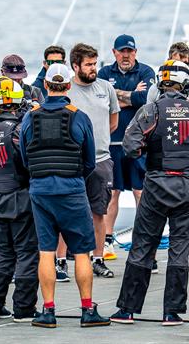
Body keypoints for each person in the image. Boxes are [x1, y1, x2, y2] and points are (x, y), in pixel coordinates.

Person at [110, 60, 189, 326]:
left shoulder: (151, 111)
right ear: (186, 84)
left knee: (142, 248)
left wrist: (150, 153)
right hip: (186, 188)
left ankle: (127, 310)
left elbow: (130, 146)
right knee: (180, 250)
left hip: (156, 187)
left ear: (162, 83)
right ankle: (171, 312)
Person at [20, 63, 110, 328]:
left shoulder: (30, 116)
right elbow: (90, 160)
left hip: (40, 189)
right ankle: (86, 310)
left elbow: (25, 157)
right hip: (71, 188)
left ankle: (48, 311)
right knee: (83, 251)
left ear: (46, 86)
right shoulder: (78, 116)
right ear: (69, 86)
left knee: (46, 251)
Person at [147, 41, 189, 276]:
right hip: (161, 155)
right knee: (155, 208)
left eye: (184, 63)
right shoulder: (155, 90)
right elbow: (147, 122)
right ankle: (152, 257)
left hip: (188, 155)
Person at [0, 77, 39, 323]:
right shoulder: (21, 130)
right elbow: (30, 164)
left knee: (4, 254)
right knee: (26, 253)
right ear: (17, 102)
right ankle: (24, 308)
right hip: (22, 196)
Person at [99, 35, 155, 260]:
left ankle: (143, 240)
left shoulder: (146, 72)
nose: (125, 55)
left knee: (140, 193)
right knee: (111, 194)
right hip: (112, 144)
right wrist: (129, 97)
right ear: (114, 52)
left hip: (138, 144)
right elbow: (103, 101)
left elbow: (146, 99)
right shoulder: (104, 73)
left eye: (129, 51)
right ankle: (106, 241)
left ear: (135, 52)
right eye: (121, 51)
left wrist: (119, 98)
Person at [66, 43, 120, 276]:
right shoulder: (66, 90)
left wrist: (95, 140)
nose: (93, 68)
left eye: (94, 63)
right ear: (75, 66)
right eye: (88, 64)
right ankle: (61, 260)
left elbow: (113, 122)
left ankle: (98, 258)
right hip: (72, 162)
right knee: (67, 211)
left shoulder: (105, 88)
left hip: (100, 160)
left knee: (99, 212)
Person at [0, 54, 45, 118]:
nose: (16, 80)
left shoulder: (35, 92)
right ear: (2, 72)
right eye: (12, 78)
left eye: (19, 77)